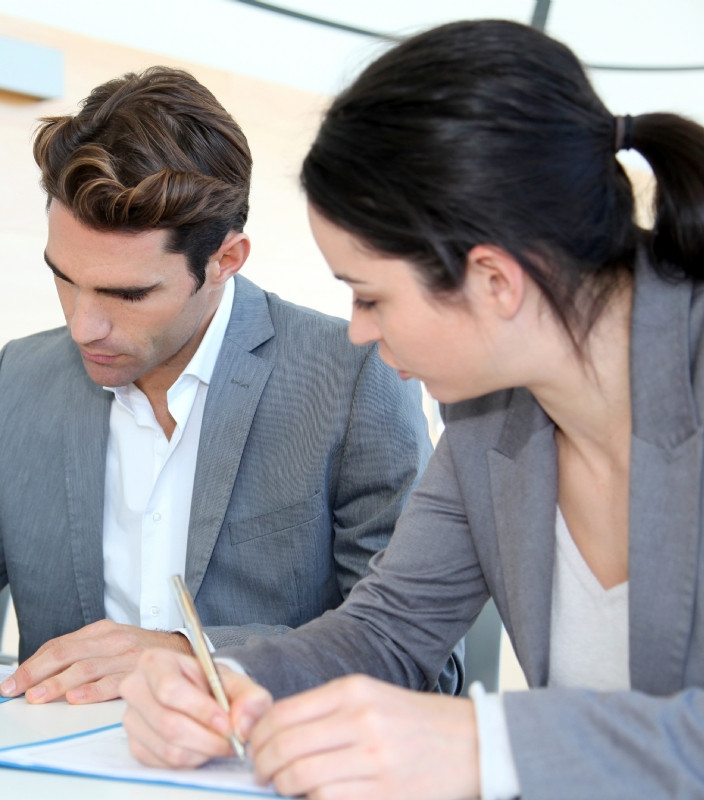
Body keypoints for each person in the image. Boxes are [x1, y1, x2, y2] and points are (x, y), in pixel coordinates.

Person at [119, 18, 704, 800]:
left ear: (495, 280)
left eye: (369, 297)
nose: (360, 333)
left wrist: (487, 745)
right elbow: (386, 631)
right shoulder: (488, 418)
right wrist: (218, 681)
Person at [0, 66, 450, 703]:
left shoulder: (353, 375)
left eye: (126, 294)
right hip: (45, 765)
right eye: (63, 278)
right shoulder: (22, 378)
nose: (82, 326)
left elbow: (411, 649)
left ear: (225, 261)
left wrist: (192, 654)